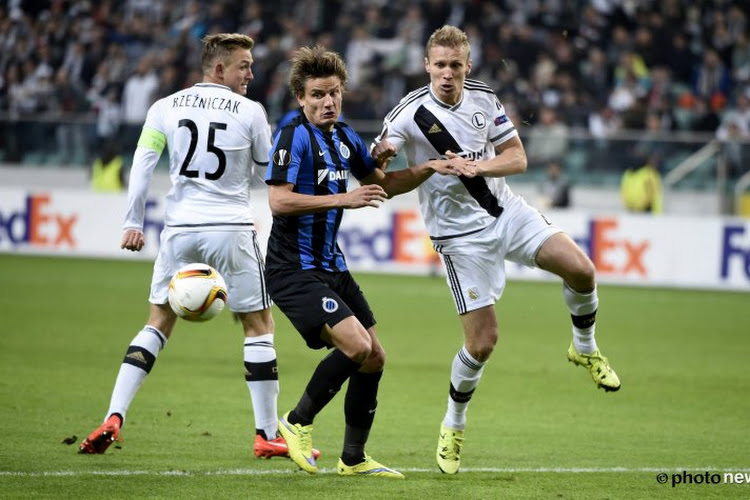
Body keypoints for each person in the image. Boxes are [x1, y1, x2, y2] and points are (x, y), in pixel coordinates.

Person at [372, 25, 621, 475]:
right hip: (459, 239)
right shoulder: (408, 115)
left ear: (468, 66)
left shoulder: (485, 98)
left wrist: (477, 165)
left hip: (507, 213)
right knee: (483, 344)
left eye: (456, 65)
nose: (447, 73)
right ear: (427, 65)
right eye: (440, 65)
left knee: (582, 270)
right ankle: (453, 424)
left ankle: (585, 347)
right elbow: (383, 183)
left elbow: (518, 158)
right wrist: (402, 160)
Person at [79, 33, 313, 461]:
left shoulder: (164, 106)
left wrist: (133, 222)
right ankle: (266, 434)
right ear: (219, 68)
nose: (251, 73)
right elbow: (267, 173)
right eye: (244, 65)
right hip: (231, 228)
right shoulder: (250, 111)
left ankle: (114, 415)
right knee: (259, 327)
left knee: (156, 323)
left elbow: (143, 163)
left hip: (180, 230)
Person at [265, 45, 471, 478]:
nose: (328, 102)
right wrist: (346, 198)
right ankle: (296, 422)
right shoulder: (292, 135)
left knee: (374, 357)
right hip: (292, 270)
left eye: (335, 93)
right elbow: (279, 201)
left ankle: (353, 459)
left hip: (332, 268)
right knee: (356, 346)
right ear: (300, 98)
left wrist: (431, 166)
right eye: (318, 95)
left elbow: (384, 183)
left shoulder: (344, 138)